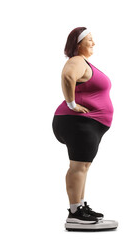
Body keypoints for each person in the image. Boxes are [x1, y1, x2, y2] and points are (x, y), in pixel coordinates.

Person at [52, 27, 114, 224]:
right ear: (78, 45)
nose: (93, 43)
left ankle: (79, 206)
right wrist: (72, 104)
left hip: (86, 125)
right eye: (90, 40)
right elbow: (68, 76)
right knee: (78, 167)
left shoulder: (84, 63)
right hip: (78, 123)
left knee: (83, 166)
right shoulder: (76, 61)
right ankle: (74, 214)